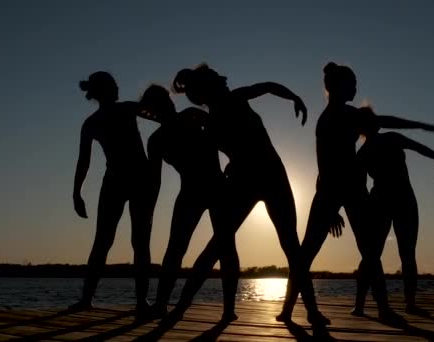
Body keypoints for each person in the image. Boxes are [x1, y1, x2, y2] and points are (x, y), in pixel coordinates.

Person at [279, 62, 434, 323]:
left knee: (370, 251)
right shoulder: (329, 120)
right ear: (338, 87)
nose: (356, 88)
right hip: (331, 191)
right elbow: (324, 165)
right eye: (353, 83)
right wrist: (329, 208)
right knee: (308, 251)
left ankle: (382, 307)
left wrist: (421, 126)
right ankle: (291, 309)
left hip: (353, 191)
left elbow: (385, 121)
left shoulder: (350, 114)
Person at [168, 64, 328, 326]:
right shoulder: (217, 115)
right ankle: (180, 309)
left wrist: (294, 98)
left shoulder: (220, 113)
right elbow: (230, 146)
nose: (225, 76)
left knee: (288, 246)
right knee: (222, 245)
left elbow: (266, 87)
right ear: (209, 88)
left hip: (269, 178)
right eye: (218, 77)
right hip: (253, 180)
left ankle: (311, 311)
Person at [71, 71, 156, 319]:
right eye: (115, 84)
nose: (120, 86)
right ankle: (131, 302)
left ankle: (136, 301)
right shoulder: (112, 115)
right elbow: (83, 161)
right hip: (124, 181)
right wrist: (76, 193)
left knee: (122, 241)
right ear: (106, 90)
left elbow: (160, 117)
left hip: (130, 181)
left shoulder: (108, 116)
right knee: (121, 241)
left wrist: (77, 193)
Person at [138, 84, 225, 317]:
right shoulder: (155, 141)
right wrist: (149, 210)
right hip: (190, 192)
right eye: (161, 103)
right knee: (175, 249)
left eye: (167, 100)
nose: (168, 104)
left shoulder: (192, 115)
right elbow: (154, 181)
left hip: (217, 186)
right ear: (154, 110)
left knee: (223, 247)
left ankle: (224, 309)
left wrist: (236, 160)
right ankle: (161, 303)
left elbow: (223, 134)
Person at [351, 107, 434, 316]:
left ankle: (363, 305)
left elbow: (417, 147)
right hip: (393, 201)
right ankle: (400, 304)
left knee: (375, 255)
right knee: (392, 254)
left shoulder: (365, 151)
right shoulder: (373, 148)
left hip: (393, 201)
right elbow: (418, 147)